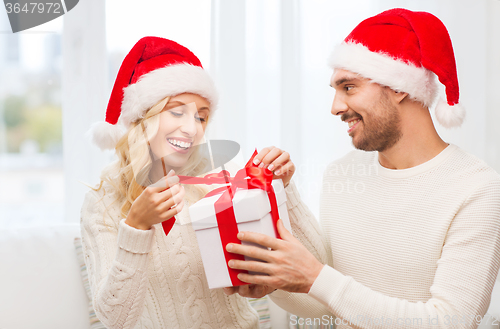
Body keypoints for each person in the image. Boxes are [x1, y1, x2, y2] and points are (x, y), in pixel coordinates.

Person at [223, 8, 500, 328]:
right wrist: (278, 282)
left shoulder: (476, 188)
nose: (335, 107)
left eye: (349, 87)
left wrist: (314, 276)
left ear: (398, 87)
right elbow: (329, 302)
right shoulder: (342, 174)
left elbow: (449, 322)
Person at [80, 36, 299, 328]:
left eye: (201, 117)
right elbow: (114, 319)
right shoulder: (103, 204)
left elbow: (292, 270)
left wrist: (259, 282)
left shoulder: (223, 176)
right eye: (177, 111)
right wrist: (136, 227)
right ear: (143, 118)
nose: (192, 128)